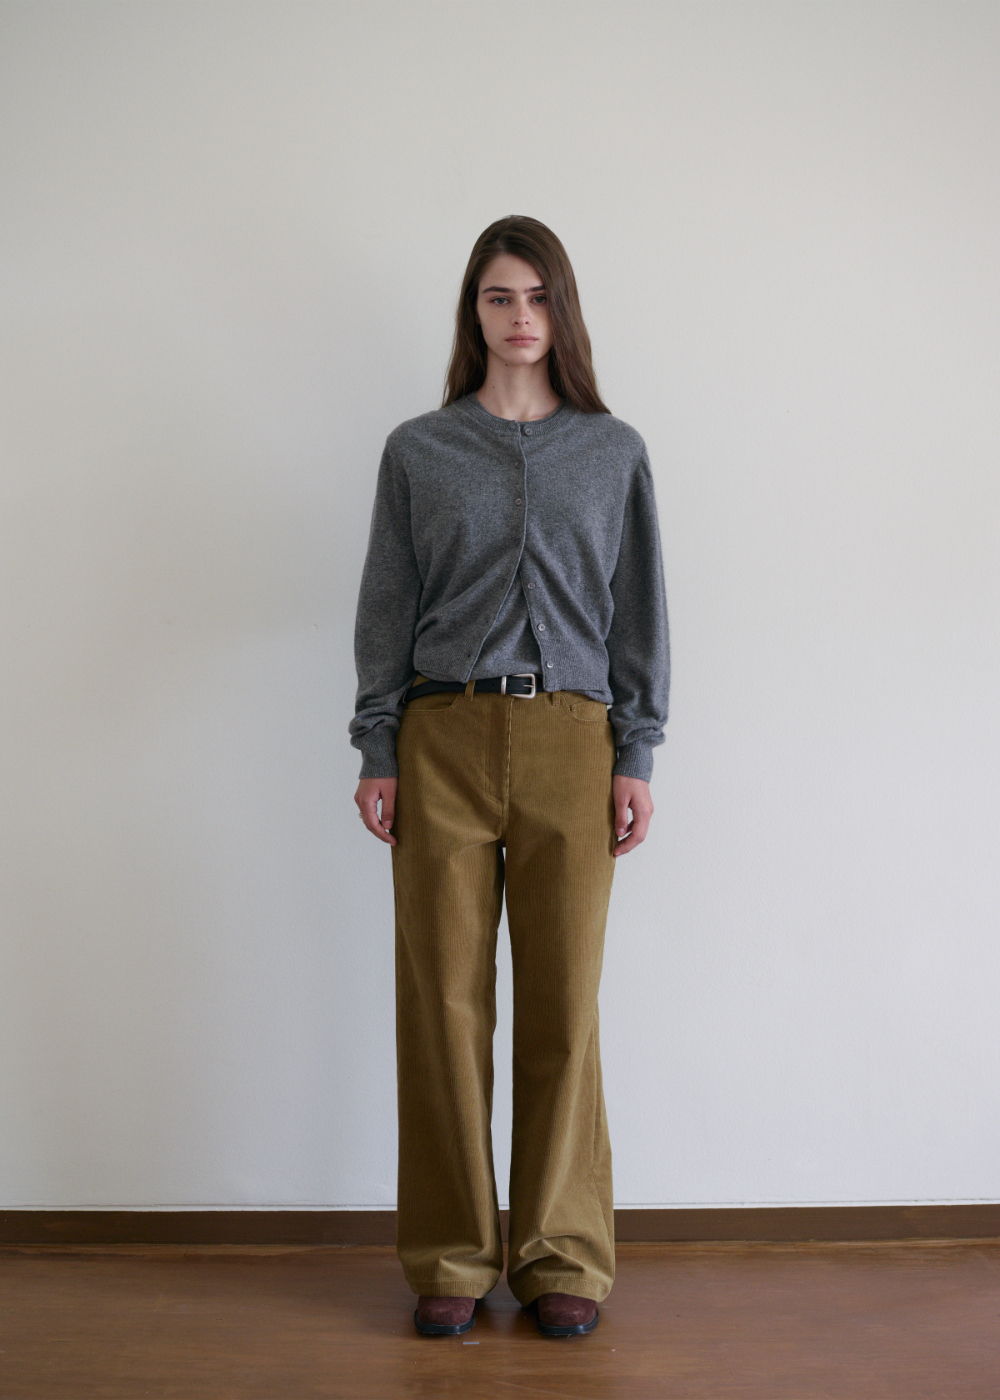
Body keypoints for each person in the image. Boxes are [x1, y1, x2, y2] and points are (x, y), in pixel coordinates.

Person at [350, 216, 669, 1338]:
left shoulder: (613, 450)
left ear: (561, 310)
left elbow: (639, 614)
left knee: (563, 1003)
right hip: (440, 736)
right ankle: (449, 1252)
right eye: (498, 296)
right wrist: (378, 745)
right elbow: (386, 605)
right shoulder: (419, 449)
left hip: (572, 741)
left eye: (537, 296)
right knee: (441, 1002)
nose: (519, 315)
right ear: (473, 312)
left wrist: (635, 752)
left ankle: (559, 1252)